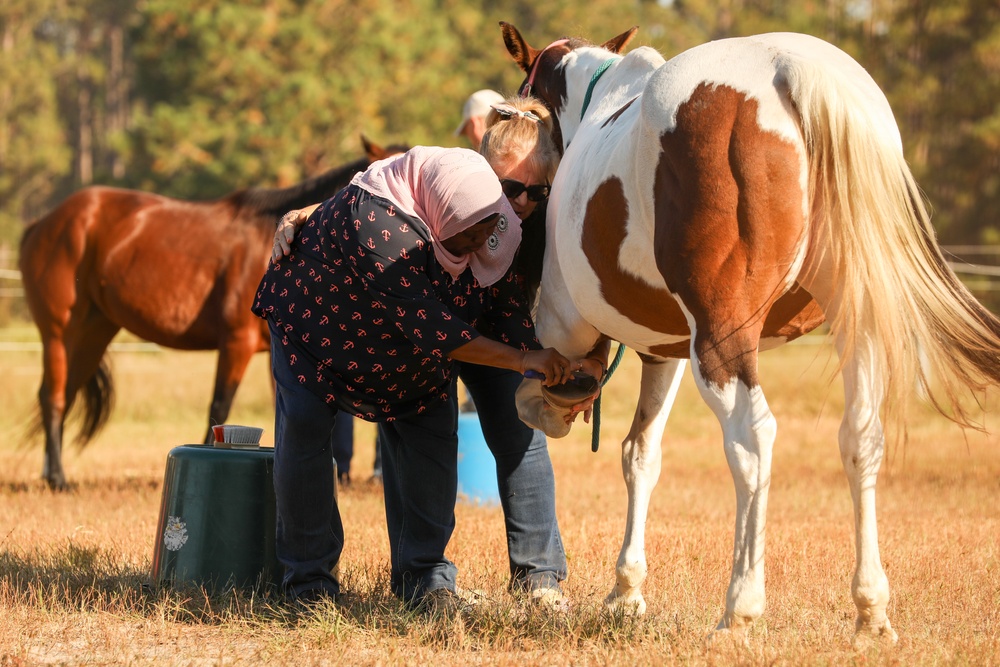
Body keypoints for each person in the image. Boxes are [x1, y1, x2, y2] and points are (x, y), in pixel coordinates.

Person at [255, 146, 592, 611]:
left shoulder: (495, 224)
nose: (474, 250)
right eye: (462, 242)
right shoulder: (379, 226)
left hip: (410, 355)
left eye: (482, 238)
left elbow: (503, 303)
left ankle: (425, 579)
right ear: (436, 222)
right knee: (307, 437)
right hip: (320, 327)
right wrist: (521, 361)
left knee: (432, 441)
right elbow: (435, 328)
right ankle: (309, 585)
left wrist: (553, 363)